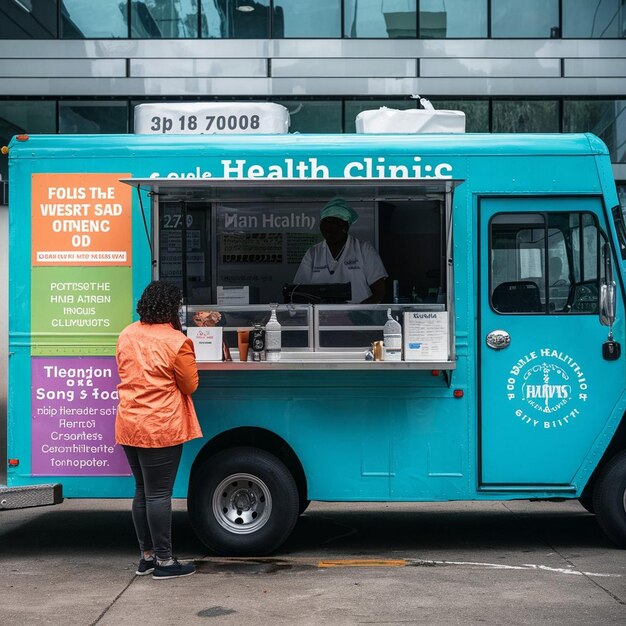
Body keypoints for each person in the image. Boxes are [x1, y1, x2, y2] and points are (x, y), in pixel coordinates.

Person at [115, 280, 202, 580]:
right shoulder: (176, 341)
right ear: (172, 308)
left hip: (129, 423)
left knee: (142, 491)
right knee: (159, 494)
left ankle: (147, 557)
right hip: (159, 426)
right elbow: (190, 384)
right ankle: (164, 562)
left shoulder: (127, 333)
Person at [293, 198, 388, 303]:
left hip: (358, 317)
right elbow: (298, 291)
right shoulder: (313, 253)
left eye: (334, 223)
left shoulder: (364, 250)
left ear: (346, 226)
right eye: (325, 223)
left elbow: (380, 291)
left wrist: (360, 313)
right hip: (321, 317)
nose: (329, 228)